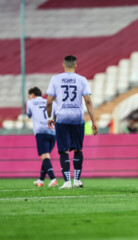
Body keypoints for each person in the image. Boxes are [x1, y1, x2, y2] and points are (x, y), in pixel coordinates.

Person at [46, 55, 98, 189]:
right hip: (77, 118)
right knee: (78, 149)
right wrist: (93, 122)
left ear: (63, 65)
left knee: (63, 151)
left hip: (62, 117)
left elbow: (49, 101)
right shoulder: (82, 80)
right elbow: (88, 101)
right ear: (76, 65)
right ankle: (77, 180)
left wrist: (50, 117)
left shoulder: (56, 79)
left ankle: (67, 182)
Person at [26, 87, 58, 187]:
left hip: (41, 131)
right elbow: (57, 115)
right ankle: (41, 180)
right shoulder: (51, 102)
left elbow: (29, 115)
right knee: (46, 157)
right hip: (53, 132)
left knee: (45, 157)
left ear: (32, 95)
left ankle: (53, 179)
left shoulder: (30, 102)